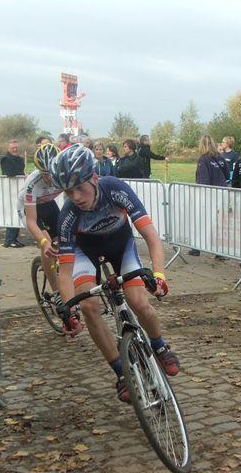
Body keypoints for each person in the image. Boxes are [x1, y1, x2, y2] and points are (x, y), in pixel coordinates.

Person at [49, 144, 179, 402]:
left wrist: (160, 275)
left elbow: (151, 236)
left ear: (95, 178)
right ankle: (121, 372)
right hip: (84, 253)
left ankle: (160, 345)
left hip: (121, 246)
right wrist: (69, 309)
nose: (75, 196)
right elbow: (65, 272)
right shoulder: (68, 215)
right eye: (68, 191)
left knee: (140, 302)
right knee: (88, 306)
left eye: (80, 188)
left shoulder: (115, 188)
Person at [18, 143, 65, 307]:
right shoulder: (32, 183)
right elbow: (31, 220)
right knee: (48, 248)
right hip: (30, 209)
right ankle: (57, 291)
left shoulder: (63, 173)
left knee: (65, 239)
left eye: (50, 173)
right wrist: (44, 242)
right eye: (44, 173)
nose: (47, 178)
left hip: (49, 204)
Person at [190, 135, 229, 256]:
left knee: (202, 221)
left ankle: (197, 247)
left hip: (208, 195)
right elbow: (227, 175)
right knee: (219, 223)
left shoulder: (203, 159)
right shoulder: (220, 158)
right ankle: (220, 251)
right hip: (222, 193)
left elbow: (203, 180)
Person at [1, 139, 26, 248]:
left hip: (18, 189)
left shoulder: (20, 159)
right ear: (8, 148)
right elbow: (9, 172)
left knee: (17, 212)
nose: (15, 149)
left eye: (16, 147)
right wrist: (22, 174)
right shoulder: (5, 159)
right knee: (12, 213)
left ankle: (13, 238)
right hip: (10, 190)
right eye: (12, 148)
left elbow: (20, 171)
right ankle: (9, 239)